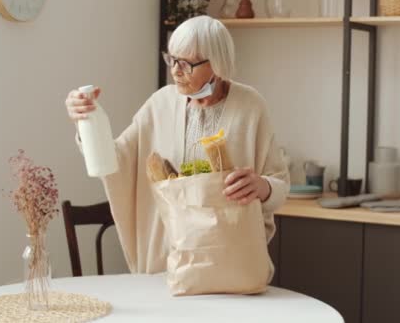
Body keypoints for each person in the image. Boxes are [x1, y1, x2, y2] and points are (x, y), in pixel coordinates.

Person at [64, 15, 290, 273]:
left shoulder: (251, 106)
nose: (175, 71)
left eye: (186, 63)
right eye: (172, 59)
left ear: (217, 63)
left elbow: (279, 185)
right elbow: (113, 162)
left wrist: (262, 187)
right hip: (168, 264)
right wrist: (85, 122)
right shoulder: (159, 104)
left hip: (231, 266)